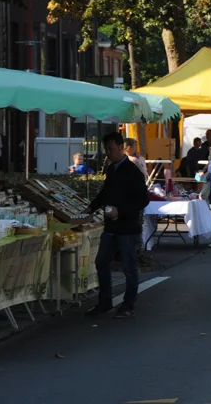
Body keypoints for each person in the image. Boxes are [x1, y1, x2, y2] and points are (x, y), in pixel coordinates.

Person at [84, 133, 150, 319]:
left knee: (129, 267)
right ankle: (105, 302)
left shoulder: (133, 171)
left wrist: (121, 211)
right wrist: (91, 207)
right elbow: (106, 192)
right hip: (111, 227)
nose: (108, 153)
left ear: (121, 147)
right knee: (101, 262)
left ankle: (128, 305)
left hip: (127, 227)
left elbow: (143, 200)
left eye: (110, 149)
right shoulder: (112, 168)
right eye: (106, 149)